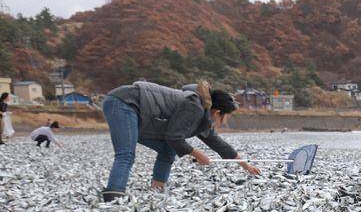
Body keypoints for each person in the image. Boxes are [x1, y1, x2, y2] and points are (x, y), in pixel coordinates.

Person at [101, 80, 260, 202]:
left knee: (167, 149)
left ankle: (156, 191)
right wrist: (197, 154)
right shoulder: (194, 107)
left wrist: (245, 164)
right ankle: (114, 198)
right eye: (226, 117)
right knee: (126, 154)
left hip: (142, 115)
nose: (224, 121)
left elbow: (218, 144)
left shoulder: (203, 115)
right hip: (124, 103)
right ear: (218, 112)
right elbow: (174, 137)